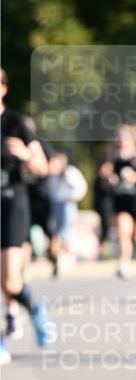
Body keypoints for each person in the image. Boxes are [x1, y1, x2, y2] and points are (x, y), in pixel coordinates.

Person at [1, 68, 54, 364]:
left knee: (9, 282)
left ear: (3, 89)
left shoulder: (16, 123)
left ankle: (34, 308)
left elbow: (42, 166)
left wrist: (23, 154)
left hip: (11, 202)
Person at [98, 124, 136, 279]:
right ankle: (123, 263)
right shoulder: (114, 157)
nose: (121, 140)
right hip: (121, 199)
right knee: (123, 232)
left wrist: (135, 177)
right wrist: (110, 179)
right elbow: (103, 175)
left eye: (125, 137)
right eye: (119, 137)